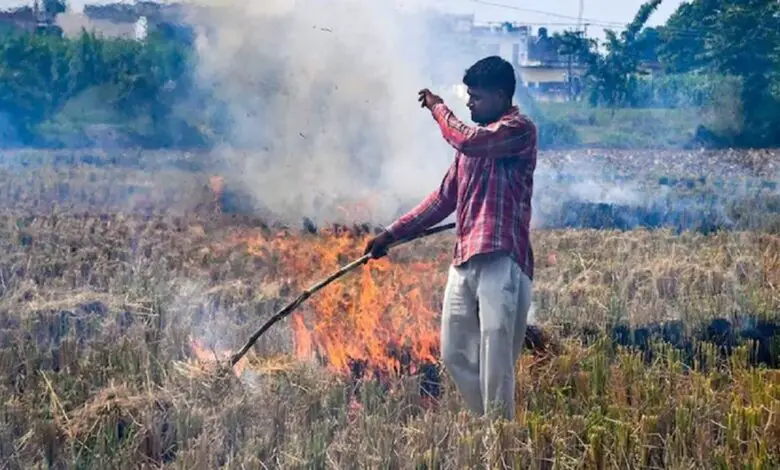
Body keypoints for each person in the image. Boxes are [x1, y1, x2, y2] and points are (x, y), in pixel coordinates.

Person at [363, 55, 537, 421]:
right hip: (464, 260)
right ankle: (490, 424)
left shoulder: (517, 129)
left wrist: (437, 107)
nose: (470, 103)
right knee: (453, 353)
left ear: (502, 96)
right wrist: (390, 235)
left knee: (496, 355)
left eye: (477, 96)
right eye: (468, 96)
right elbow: (442, 200)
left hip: (502, 259)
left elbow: (467, 138)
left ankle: (499, 440)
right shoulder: (469, 150)